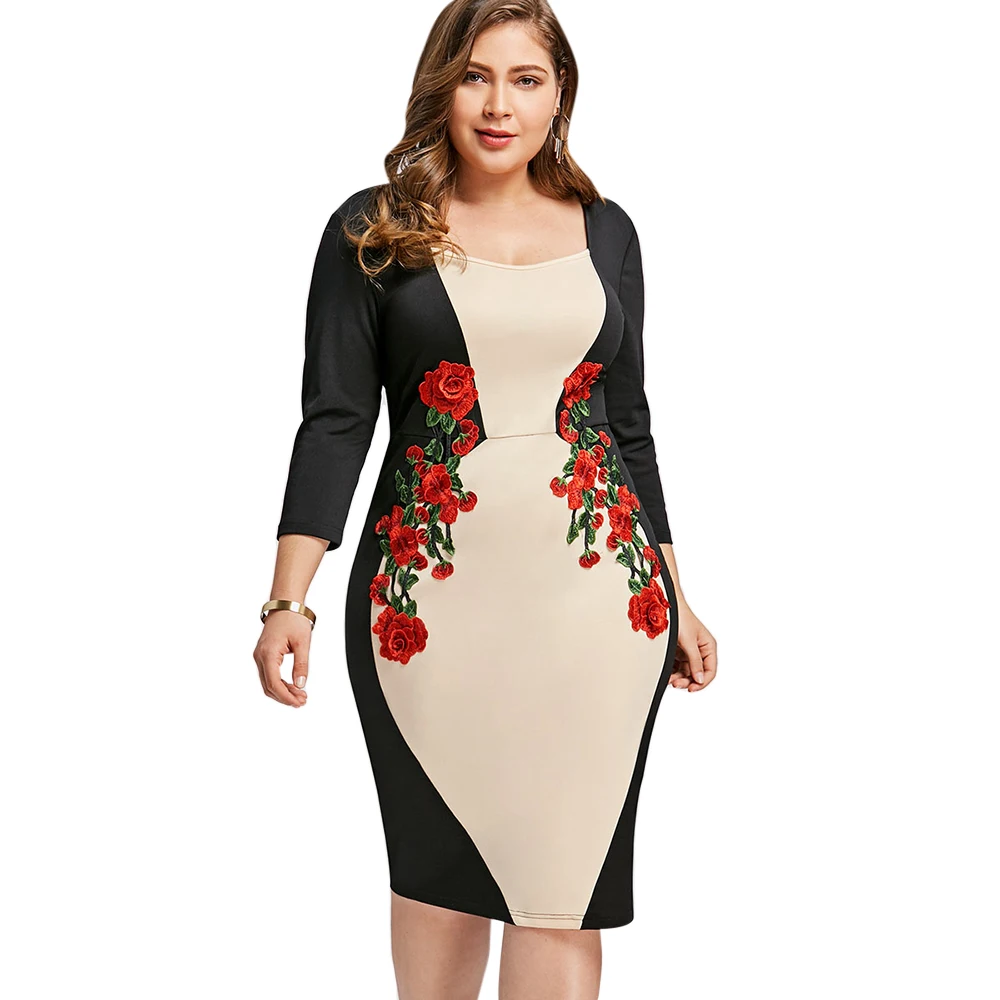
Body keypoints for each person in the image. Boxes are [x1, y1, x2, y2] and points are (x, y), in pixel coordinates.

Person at [253, 1, 718, 996]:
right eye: (476, 76)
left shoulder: (609, 231)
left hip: (600, 607)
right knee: (438, 879)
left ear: (559, 94)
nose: (499, 105)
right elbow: (335, 419)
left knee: (566, 886)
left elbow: (627, 425)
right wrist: (288, 598)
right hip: (425, 608)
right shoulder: (373, 230)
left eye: (525, 79)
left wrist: (679, 596)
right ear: (442, 85)